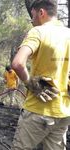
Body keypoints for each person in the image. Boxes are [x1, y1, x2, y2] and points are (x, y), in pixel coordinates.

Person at [11, 0, 70, 149]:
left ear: (41, 13)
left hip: (38, 111)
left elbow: (17, 63)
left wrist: (30, 83)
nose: (32, 21)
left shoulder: (38, 31)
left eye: (33, 16)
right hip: (63, 113)